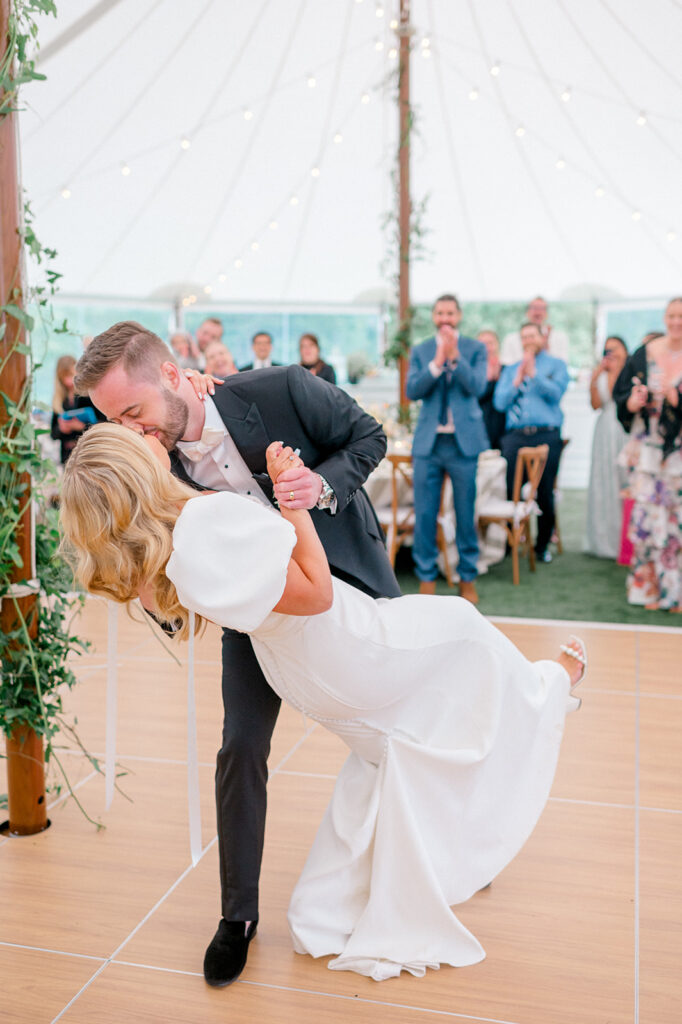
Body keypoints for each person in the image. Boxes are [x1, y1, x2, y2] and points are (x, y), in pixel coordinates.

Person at [60, 424, 586, 982]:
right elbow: (316, 592)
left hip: (302, 673)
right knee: (470, 638)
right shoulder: (205, 520)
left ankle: (461, 830)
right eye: (130, 435)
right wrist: (292, 498)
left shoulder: (159, 557)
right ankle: (552, 686)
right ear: (137, 469)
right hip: (348, 639)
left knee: (408, 737)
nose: (143, 433)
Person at [73, 321, 400, 988]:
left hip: (347, 577)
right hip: (260, 616)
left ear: (171, 375)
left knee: (400, 722)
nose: (133, 432)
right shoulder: (150, 465)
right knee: (240, 747)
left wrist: (318, 486)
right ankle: (238, 917)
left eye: (133, 412)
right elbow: (163, 571)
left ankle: (430, 850)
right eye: (114, 421)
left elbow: (371, 438)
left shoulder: (279, 388)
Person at [406, 294, 488, 604]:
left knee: (466, 513)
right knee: (425, 514)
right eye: (440, 313)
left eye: (450, 313)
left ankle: (467, 576)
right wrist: (438, 362)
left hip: (463, 444)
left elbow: (478, 387)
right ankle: (426, 577)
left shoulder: (475, 349)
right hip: (429, 444)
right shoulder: (422, 350)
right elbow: (412, 390)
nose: (445, 318)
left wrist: (456, 357)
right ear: (433, 317)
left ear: (459, 316)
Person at [613, 298, 682, 610]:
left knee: (675, 521)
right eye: (671, 316)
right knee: (646, 520)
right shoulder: (646, 351)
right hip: (646, 450)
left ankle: (675, 592)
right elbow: (622, 393)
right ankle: (647, 589)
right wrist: (632, 402)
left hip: (677, 451)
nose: (676, 322)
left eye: (681, 316)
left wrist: (675, 398)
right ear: (664, 317)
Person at [494, 322, 569, 564]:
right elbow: (500, 403)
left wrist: (535, 374)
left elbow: (556, 394)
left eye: (532, 336)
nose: (528, 340)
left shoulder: (555, 365)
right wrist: (517, 379)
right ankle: (508, 543)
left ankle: (542, 545)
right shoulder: (511, 369)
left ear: (541, 338)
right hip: (516, 435)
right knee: (508, 489)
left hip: (546, 434)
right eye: (524, 336)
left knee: (544, 491)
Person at [584, 336, 628, 558]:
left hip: (624, 428)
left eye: (616, 348)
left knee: (624, 479)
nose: (611, 352)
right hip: (603, 429)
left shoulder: (629, 372)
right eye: (607, 349)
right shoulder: (600, 373)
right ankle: (604, 539)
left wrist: (616, 371)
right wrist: (595, 378)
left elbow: (621, 399)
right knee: (604, 479)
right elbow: (595, 404)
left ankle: (626, 539)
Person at [50, 355, 100, 464]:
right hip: (67, 456)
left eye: (70, 376)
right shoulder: (59, 400)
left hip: (88, 454)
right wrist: (61, 428)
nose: (68, 382)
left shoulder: (88, 397)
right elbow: (53, 434)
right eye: (64, 377)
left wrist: (82, 427)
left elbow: (102, 425)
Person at [500, 296, 570, 366]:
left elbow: (563, 364)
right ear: (527, 312)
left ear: (547, 314)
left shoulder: (560, 337)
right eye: (534, 308)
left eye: (542, 308)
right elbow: (506, 366)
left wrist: (546, 351)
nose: (538, 312)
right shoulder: (510, 339)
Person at [477, 329, 506, 450]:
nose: (487, 348)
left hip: (503, 430)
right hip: (479, 429)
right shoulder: (473, 374)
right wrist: (489, 379)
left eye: (490, 343)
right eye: (483, 344)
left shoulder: (507, 370)